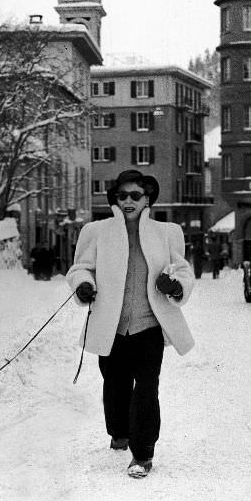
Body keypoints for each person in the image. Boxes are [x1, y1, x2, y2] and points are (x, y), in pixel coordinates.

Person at [67, 169, 195, 478]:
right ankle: (119, 432)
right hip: (110, 326)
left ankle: (143, 455)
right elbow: (79, 268)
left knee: (147, 389)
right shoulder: (95, 231)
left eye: (135, 195)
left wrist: (174, 285)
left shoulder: (168, 232)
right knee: (115, 386)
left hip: (149, 326)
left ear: (147, 198)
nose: (128, 201)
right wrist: (83, 284)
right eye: (122, 196)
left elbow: (184, 270)